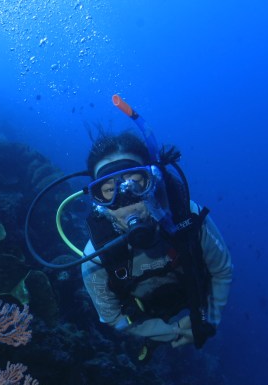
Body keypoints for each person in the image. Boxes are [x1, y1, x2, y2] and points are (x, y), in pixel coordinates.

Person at [80, 130, 232, 360]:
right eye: (109, 190)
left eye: (135, 183)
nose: (126, 202)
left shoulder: (188, 218)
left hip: (191, 292)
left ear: (153, 181)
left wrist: (207, 320)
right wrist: (168, 333)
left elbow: (222, 270)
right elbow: (112, 316)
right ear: (98, 201)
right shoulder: (95, 256)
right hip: (144, 310)